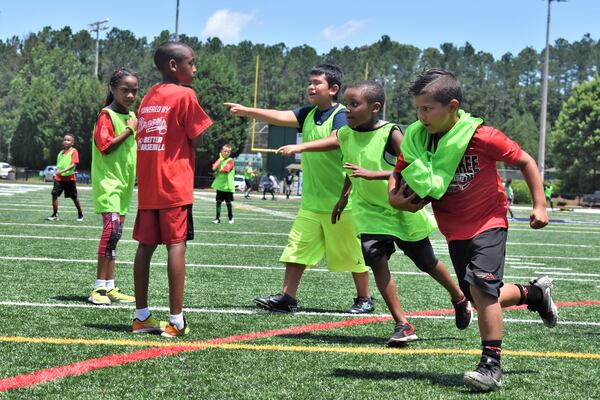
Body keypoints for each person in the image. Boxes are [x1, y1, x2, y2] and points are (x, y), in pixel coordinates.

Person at [389, 69, 557, 391]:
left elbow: (525, 162)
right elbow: (398, 171)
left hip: (489, 221)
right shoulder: (418, 138)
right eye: (418, 109)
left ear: (452, 106)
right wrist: (394, 198)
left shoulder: (481, 136)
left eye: (428, 109)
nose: (420, 116)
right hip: (454, 228)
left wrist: (540, 204)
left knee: (481, 289)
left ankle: (491, 366)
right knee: (479, 297)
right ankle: (534, 294)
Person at [278, 81, 471, 345]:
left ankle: (459, 297)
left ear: (375, 107)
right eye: (346, 105)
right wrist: (343, 196)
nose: (348, 110)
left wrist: (374, 174)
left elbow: (415, 167)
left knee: (425, 262)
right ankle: (402, 323)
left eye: (354, 105)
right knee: (374, 256)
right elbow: (351, 168)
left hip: (399, 206)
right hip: (368, 210)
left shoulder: (391, 133)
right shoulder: (345, 134)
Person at [224, 64, 374, 314]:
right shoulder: (308, 114)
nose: (311, 87)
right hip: (312, 202)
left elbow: (338, 138)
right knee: (296, 249)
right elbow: (279, 116)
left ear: (334, 89)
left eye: (317, 83)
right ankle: (287, 297)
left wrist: (300, 148)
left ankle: (364, 298)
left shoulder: (340, 114)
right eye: (310, 82)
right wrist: (247, 110)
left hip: (341, 201)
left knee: (352, 252)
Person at [132, 41, 212, 338]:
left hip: (150, 186)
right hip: (174, 183)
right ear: (174, 66)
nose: (195, 68)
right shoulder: (186, 95)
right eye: (191, 62)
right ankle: (176, 320)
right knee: (176, 245)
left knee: (145, 247)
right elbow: (199, 138)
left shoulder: (149, 96)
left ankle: (141, 317)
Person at [88, 68, 139, 306]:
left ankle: (110, 286)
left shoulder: (131, 116)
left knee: (116, 236)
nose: (130, 95)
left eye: (134, 91)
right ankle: (98, 287)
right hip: (108, 183)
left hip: (124, 184)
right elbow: (105, 146)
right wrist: (130, 130)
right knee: (111, 231)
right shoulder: (106, 115)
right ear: (113, 89)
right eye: (125, 90)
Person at [47, 133, 84, 222]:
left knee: (74, 197)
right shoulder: (60, 153)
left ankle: (80, 213)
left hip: (69, 179)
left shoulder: (74, 151)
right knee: (54, 194)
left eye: (68, 140)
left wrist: (62, 172)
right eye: (65, 140)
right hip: (59, 179)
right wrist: (56, 173)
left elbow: (74, 164)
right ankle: (55, 214)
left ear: (72, 143)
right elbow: (59, 166)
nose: (66, 141)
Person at [211, 143, 235, 224]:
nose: (226, 153)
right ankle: (217, 218)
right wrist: (220, 159)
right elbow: (214, 168)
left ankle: (230, 217)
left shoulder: (230, 160)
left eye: (228, 152)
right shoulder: (220, 159)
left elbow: (225, 170)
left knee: (228, 203)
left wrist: (218, 168)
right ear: (221, 151)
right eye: (225, 151)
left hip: (227, 186)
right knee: (218, 202)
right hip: (220, 186)